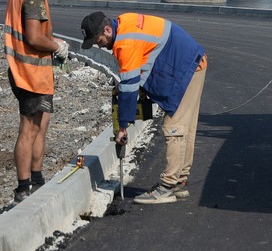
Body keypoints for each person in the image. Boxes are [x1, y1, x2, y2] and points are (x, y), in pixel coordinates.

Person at [81, 10, 207, 205]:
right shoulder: (125, 23)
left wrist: (123, 126)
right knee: (186, 127)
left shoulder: (125, 43)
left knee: (174, 127)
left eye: (98, 40)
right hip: (192, 62)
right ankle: (179, 180)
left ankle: (167, 186)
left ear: (107, 30)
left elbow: (129, 86)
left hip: (185, 69)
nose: (99, 45)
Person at [4, 0, 72, 202]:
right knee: (29, 129)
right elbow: (34, 37)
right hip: (30, 72)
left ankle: (37, 180)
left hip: (27, 69)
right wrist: (56, 46)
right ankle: (23, 189)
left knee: (40, 126)